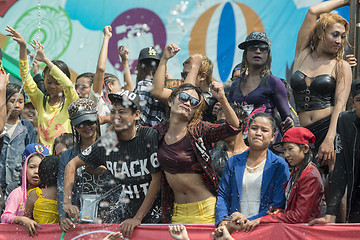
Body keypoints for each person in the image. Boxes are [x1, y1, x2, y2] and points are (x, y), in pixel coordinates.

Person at [63, 90, 161, 238]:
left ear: (137, 115)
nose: (116, 117)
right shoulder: (108, 142)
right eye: (113, 112)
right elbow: (71, 165)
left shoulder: (148, 136)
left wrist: (137, 219)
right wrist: (67, 203)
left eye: (122, 112)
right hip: (124, 218)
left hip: (155, 218)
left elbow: (157, 179)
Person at [154, 82, 241, 224]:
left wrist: (222, 99)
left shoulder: (198, 130)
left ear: (195, 111)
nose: (188, 103)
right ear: (170, 101)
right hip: (177, 212)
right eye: (183, 97)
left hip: (206, 211)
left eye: (194, 102)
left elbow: (233, 127)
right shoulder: (157, 132)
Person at [290, 0, 352, 171]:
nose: (339, 41)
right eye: (335, 34)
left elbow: (341, 105)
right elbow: (312, 11)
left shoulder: (341, 65)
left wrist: (330, 138)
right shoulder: (302, 55)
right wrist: (347, 1)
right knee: (304, 187)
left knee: (332, 187)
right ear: (320, 33)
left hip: (329, 129)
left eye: (342, 36)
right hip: (303, 132)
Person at [6, 26, 79, 152]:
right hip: (42, 157)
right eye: (49, 82)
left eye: (57, 83)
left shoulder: (70, 102)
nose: (52, 86)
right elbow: (25, 77)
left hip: (64, 156)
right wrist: (23, 47)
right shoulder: (40, 100)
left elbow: (68, 85)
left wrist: (46, 60)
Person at [215, 113, 290, 230]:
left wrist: (249, 221)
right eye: (254, 128)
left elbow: (277, 203)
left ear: (273, 136)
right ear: (247, 131)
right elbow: (223, 195)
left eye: (264, 130)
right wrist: (223, 219)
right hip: (235, 228)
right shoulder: (233, 162)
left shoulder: (280, 165)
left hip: (264, 228)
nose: (258, 133)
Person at [241, 127, 323, 232]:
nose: (287, 154)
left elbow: (299, 217)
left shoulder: (310, 176)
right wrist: (279, 211)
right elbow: (293, 209)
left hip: (304, 233)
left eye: (290, 149)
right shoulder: (297, 172)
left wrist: (263, 219)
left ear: (305, 149)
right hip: (294, 231)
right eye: (284, 150)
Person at [309, 78, 360, 225]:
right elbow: (340, 169)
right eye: (359, 100)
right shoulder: (345, 121)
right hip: (355, 203)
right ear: (352, 101)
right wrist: (330, 214)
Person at [228, 32, 294, 135]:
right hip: (237, 144)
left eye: (263, 48)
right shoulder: (235, 85)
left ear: (268, 55)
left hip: (264, 144)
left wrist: (289, 122)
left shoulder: (274, 83)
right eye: (253, 48)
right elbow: (229, 117)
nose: (258, 51)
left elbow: (287, 118)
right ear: (245, 54)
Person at [57, 98, 102, 232]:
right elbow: (61, 188)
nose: (86, 127)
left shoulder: (109, 149)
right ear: (73, 125)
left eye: (90, 122)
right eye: (80, 124)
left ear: (97, 119)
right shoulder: (67, 156)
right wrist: (62, 216)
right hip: (76, 221)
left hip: (106, 217)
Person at [151, 44, 216, 122]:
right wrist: (164, 60)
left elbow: (188, 96)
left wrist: (195, 67)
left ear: (202, 76)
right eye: (182, 75)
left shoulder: (210, 99)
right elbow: (157, 92)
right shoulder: (180, 92)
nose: (181, 79)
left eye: (186, 75)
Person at [90, 26, 134, 135]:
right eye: (120, 86)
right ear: (110, 86)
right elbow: (100, 69)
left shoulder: (122, 104)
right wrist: (106, 38)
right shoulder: (98, 102)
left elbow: (130, 91)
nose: (123, 89)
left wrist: (124, 61)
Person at [0, 83, 37, 195]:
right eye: (12, 101)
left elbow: (32, 154)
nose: (17, 105)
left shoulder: (26, 127)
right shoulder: (1, 126)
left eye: (20, 102)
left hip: (16, 181)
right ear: (4, 101)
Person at [1, 153, 44, 237]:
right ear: (24, 169)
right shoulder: (17, 193)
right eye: (32, 167)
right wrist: (22, 219)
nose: (36, 171)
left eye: (41, 168)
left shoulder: (47, 194)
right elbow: (4, 217)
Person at [210, 103, 248, 179]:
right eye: (218, 123)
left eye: (224, 123)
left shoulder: (256, 156)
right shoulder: (211, 156)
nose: (220, 127)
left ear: (240, 124)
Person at [134, 46, 166, 126]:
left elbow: (139, 120)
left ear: (139, 67)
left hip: (145, 136)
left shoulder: (143, 84)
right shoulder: (165, 90)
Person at [24, 155, 59, 224]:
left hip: (38, 234)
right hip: (60, 234)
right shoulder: (66, 195)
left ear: (41, 174)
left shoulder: (35, 194)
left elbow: (26, 219)